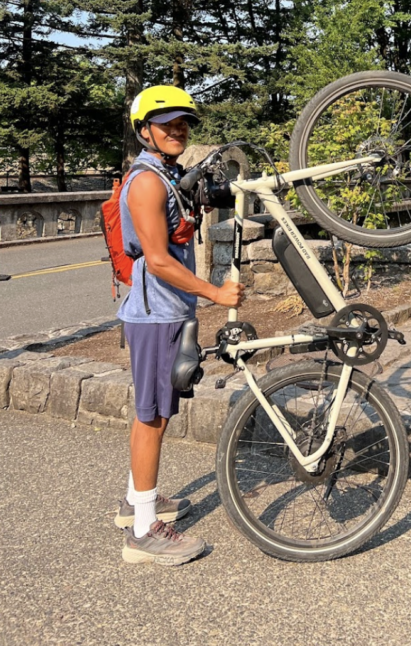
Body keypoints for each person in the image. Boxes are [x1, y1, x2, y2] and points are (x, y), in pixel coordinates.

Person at [114, 85, 243, 565]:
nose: (178, 129)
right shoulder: (145, 182)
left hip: (171, 310)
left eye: (183, 122)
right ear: (144, 129)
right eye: (166, 122)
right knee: (151, 415)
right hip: (156, 314)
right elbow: (158, 259)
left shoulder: (167, 175)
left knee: (159, 410)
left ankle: (136, 502)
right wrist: (214, 294)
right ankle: (144, 532)